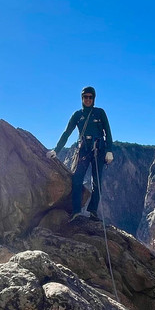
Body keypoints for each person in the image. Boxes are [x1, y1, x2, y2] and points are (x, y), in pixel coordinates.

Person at [47, 86, 114, 220]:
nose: (88, 99)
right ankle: (76, 211)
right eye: (85, 97)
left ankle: (93, 212)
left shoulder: (100, 113)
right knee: (77, 179)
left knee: (97, 183)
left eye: (90, 97)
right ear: (82, 98)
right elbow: (66, 133)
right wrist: (57, 150)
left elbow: (108, 132)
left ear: (94, 99)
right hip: (83, 149)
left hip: (98, 149)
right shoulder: (77, 115)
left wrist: (109, 150)